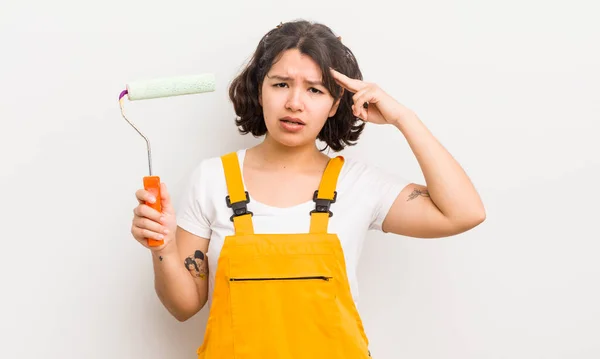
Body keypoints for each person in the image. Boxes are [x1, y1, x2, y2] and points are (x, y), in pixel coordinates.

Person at [130, 19, 486, 358]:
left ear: (335, 104)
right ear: (259, 89)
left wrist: (401, 117)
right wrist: (163, 246)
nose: (294, 103)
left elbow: (465, 213)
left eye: (314, 90)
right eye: (281, 84)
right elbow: (184, 307)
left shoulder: (358, 185)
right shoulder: (211, 179)